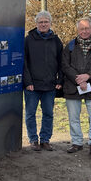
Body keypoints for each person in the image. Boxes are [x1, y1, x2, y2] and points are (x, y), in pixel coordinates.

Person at [61, 17, 91, 160]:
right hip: (73, 86)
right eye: (82, 28)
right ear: (77, 30)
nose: (84, 31)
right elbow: (64, 65)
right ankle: (76, 142)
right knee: (73, 118)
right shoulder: (69, 46)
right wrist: (79, 78)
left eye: (87, 28)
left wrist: (88, 76)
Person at [23, 10, 63, 151]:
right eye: (41, 22)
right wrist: (28, 82)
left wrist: (60, 80)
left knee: (48, 114)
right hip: (32, 86)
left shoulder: (56, 40)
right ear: (36, 24)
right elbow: (24, 63)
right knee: (30, 113)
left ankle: (45, 140)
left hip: (50, 85)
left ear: (50, 23)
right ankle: (33, 140)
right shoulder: (28, 40)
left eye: (46, 22)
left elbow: (61, 62)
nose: (43, 24)